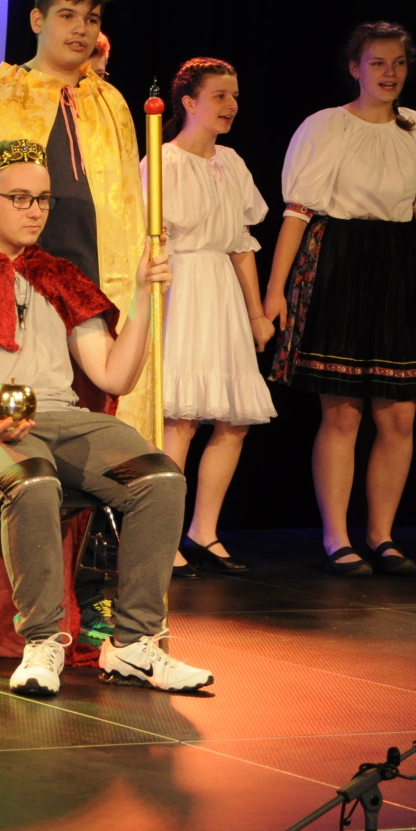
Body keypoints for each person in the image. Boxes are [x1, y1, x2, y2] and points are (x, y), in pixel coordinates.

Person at [0, 138, 209, 697]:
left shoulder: (60, 277)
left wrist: (143, 296)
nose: (34, 210)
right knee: (32, 480)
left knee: (159, 479)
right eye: (19, 198)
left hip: (59, 420)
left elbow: (113, 377)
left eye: (42, 199)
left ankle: (133, 645)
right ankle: (42, 641)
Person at [264, 22, 416, 576]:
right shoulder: (326, 126)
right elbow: (298, 212)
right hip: (339, 259)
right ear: (356, 68)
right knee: (343, 412)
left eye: (398, 63)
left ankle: (382, 534)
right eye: (378, 63)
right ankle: (336, 536)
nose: (390, 73)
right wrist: (275, 290)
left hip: (397, 264)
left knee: (398, 415)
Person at [0, 0, 149, 443]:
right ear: (38, 20)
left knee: (97, 416)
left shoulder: (110, 102)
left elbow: (127, 202)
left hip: (96, 282)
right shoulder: (2, 95)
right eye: (68, 15)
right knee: (26, 420)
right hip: (25, 282)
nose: (81, 29)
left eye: (91, 19)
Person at [151, 58, 276, 579]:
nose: (231, 105)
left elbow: (242, 245)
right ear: (189, 103)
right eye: (220, 96)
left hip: (222, 291)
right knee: (180, 419)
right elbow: (148, 240)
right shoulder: (162, 161)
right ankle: (161, 537)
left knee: (233, 419)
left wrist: (257, 313)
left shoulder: (232, 162)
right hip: (182, 289)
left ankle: (204, 530)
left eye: (235, 96)